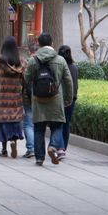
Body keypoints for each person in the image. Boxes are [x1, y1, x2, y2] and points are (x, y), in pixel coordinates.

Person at [24, 33, 74, 166]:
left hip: (38, 99)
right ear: (52, 44)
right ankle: (52, 146)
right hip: (56, 99)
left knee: (38, 129)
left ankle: (40, 158)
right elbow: (68, 81)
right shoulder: (60, 60)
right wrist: (68, 98)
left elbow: (26, 79)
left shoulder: (33, 60)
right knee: (57, 126)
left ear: (39, 44)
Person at [0, 36, 25, 158]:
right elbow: (25, 80)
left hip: (1, 97)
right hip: (15, 98)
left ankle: (4, 149)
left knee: (2, 122)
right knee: (14, 121)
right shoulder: (21, 62)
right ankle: (13, 140)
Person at [57, 45, 79, 160]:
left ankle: (59, 148)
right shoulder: (74, 68)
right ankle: (63, 148)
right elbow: (75, 85)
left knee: (58, 124)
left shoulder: (58, 67)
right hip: (71, 99)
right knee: (66, 124)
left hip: (59, 99)